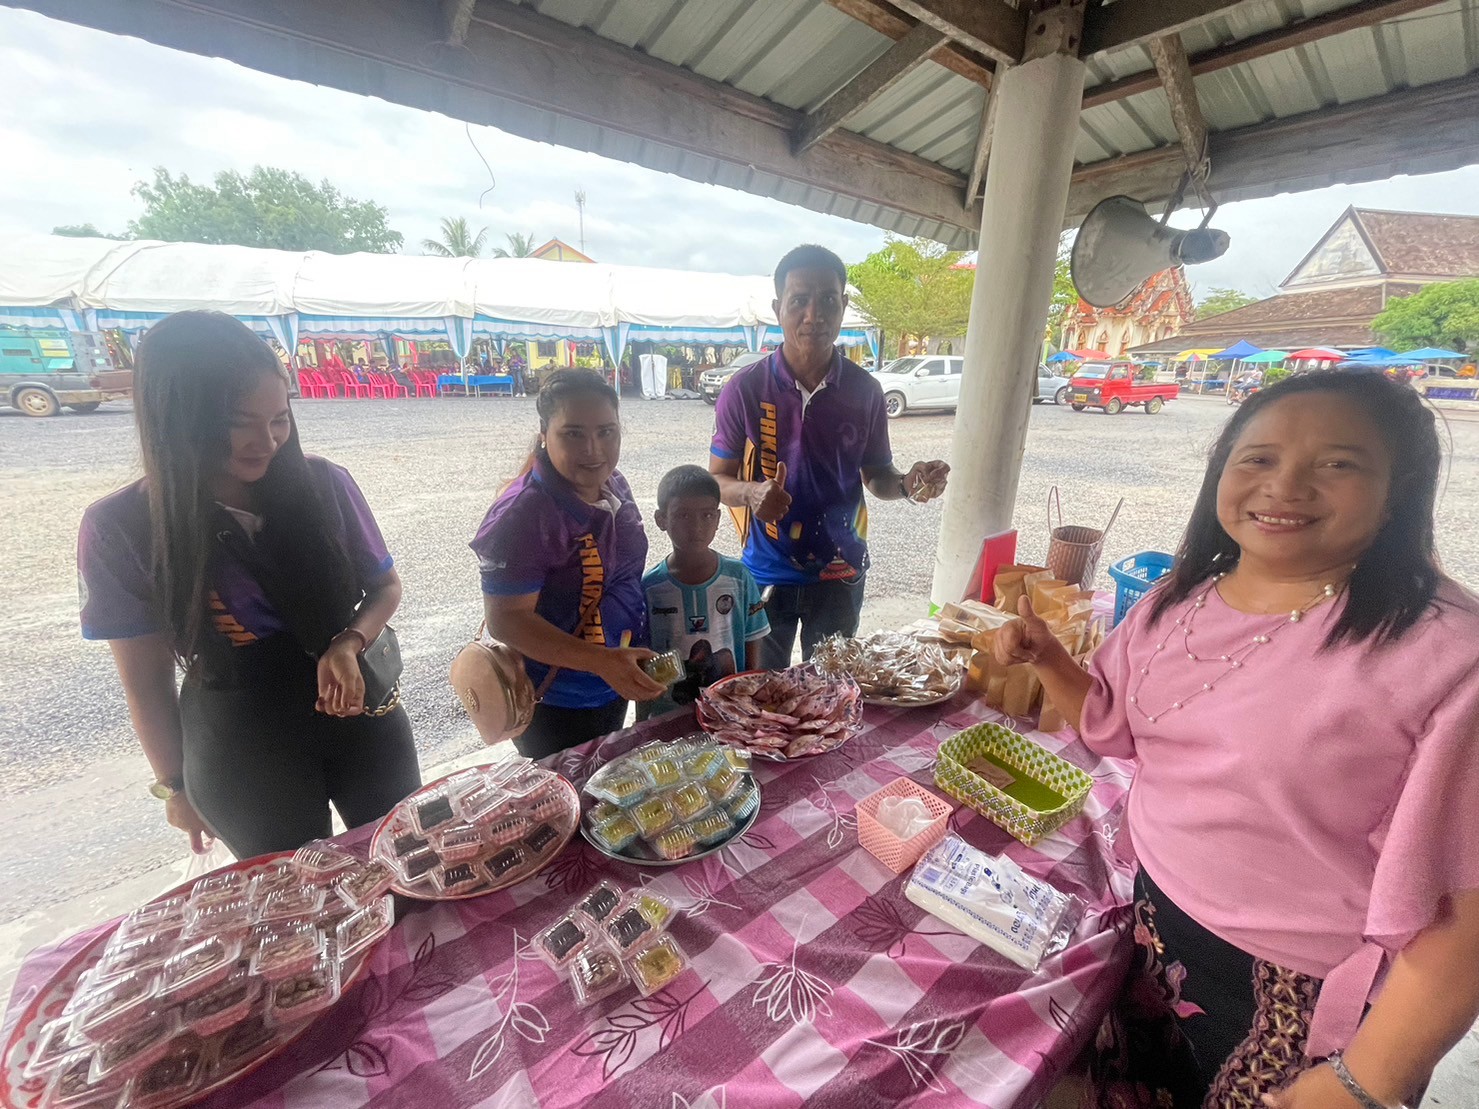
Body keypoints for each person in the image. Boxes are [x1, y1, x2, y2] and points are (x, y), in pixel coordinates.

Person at [995, 371, 1479, 1107]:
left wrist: (1368, 1081)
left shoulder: (1445, 656)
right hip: (1156, 914)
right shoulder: (1178, 599)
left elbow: (1459, 912)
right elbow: (1113, 725)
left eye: (1337, 463)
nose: (1284, 485)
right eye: (1257, 458)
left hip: (1297, 983)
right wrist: (1049, 660)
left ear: (1397, 491)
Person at [77, 312, 422, 859]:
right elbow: (145, 682)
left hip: (359, 709)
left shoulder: (323, 483)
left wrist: (348, 641)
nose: (267, 441)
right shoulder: (122, 526)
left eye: (280, 419)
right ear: (177, 418)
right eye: (240, 422)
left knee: (409, 854)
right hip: (241, 739)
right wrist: (174, 785)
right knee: (294, 885)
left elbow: (385, 587)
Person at [709, 244, 950, 668]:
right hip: (766, 571)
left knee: (831, 688)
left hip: (841, 571)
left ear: (843, 306)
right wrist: (751, 493)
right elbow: (716, 481)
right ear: (778, 308)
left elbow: (877, 474)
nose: (813, 315)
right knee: (763, 690)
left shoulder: (865, 391)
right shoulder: (744, 388)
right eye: (799, 300)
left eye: (827, 300)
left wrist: (906, 484)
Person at [470, 369, 665, 758]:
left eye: (606, 432)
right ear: (545, 433)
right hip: (557, 699)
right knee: (568, 790)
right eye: (574, 434)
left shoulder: (615, 484)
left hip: (612, 680)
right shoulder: (523, 515)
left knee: (608, 776)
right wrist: (601, 661)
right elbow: (506, 619)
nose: (593, 450)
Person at [639, 465, 769, 720]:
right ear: (661, 519)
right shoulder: (650, 587)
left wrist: (750, 698)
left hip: (729, 709)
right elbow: (644, 659)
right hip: (669, 714)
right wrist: (643, 719)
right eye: (683, 515)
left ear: (718, 519)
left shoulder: (739, 577)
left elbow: (753, 638)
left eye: (707, 515)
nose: (696, 527)